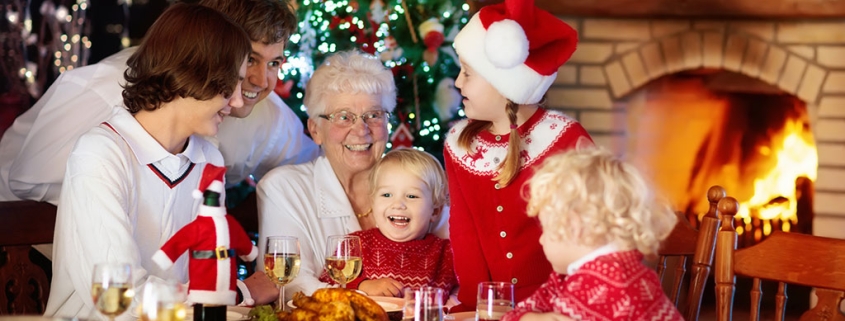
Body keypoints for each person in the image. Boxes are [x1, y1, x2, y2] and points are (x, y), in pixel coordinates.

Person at [0, 0, 318, 205]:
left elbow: (316, 172)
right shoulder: (101, 91)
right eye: (249, 59)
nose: (262, 81)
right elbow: (27, 180)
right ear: (207, 46)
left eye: (275, 63)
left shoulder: (268, 117)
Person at [44, 4, 251, 319]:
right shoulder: (101, 154)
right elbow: (116, 300)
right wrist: (233, 295)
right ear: (191, 71)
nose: (237, 102)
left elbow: (206, 270)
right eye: (229, 84)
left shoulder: (208, 157)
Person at [256, 50, 449, 302]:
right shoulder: (283, 188)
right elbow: (291, 284)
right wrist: (364, 296)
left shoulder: (420, 180)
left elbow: (457, 265)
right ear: (315, 130)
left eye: (373, 115)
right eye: (344, 117)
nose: (361, 130)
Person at [444, 0, 594, 311]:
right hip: (488, 307)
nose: (458, 82)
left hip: (559, 307)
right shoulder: (459, 145)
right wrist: (477, 307)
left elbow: (589, 236)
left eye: (467, 73)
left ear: (504, 84)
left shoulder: (566, 140)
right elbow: (464, 233)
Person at [501, 148, 682, 321]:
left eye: (545, 228)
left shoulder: (601, 288)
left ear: (573, 226)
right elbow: (519, 311)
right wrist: (528, 317)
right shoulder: (572, 276)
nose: (541, 239)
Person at [317, 148, 457, 297]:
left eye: (411, 196)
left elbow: (472, 288)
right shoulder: (356, 244)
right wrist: (363, 286)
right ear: (373, 203)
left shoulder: (446, 253)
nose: (398, 204)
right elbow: (328, 281)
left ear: (435, 211)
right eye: (387, 194)